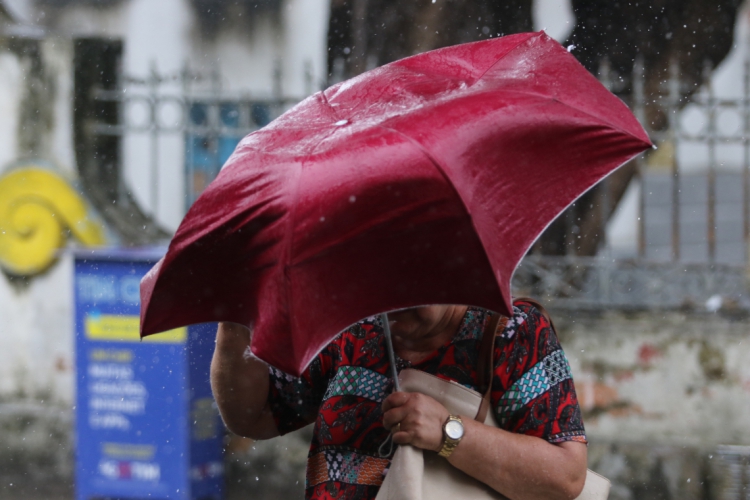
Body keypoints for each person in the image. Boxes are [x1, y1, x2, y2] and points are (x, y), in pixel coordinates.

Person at [211, 301, 588, 500]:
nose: (388, 308)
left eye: (408, 292)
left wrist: (448, 433)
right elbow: (254, 417)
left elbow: (564, 477)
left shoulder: (512, 331)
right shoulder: (350, 331)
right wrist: (234, 322)